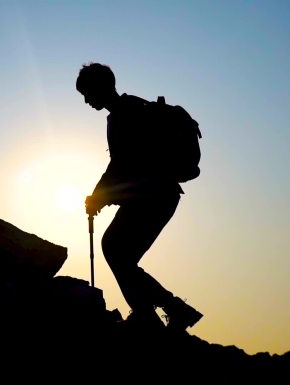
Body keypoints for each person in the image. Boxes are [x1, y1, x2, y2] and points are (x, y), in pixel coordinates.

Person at [77, 62, 202, 331]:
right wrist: (101, 196)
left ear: (101, 88)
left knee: (114, 249)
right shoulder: (128, 109)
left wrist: (98, 196)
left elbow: (123, 165)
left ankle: (157, 312)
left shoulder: (125, 113)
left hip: (154, 197)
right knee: (117, 252)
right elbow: (124, 167)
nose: (87, 101)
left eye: (88, 93)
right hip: (157, 196)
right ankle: (163, 310)